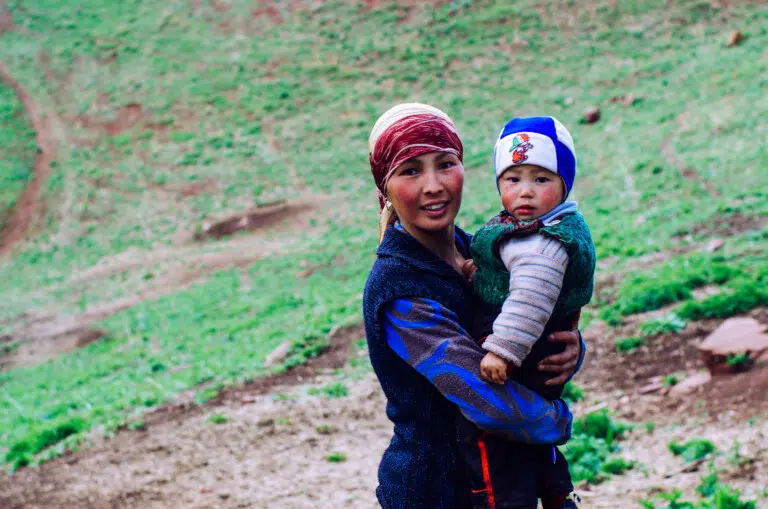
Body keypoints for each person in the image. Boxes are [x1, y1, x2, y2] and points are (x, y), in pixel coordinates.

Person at [362, 103, 586, 509]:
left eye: (445, 164)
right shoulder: (399, 288)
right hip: (436, 491)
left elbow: (525, 312)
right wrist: (558, 418)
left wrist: (566, 348)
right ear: (385, 189)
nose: (434, 185)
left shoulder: (478, 251)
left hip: (503, 479)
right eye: (410, 171)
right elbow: (487, 401)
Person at [457, 116, 596, 509]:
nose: (525, 191)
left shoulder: (546, 241)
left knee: (493, 443)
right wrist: (478, 272)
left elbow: (528, 301)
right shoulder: (528, 228)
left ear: (565, 184)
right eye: (513, 179)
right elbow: (508, 271)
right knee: (536, 447)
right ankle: (557, 491)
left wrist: (502, 351)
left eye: (541, 179)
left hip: (520, 355)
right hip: (532, 354)